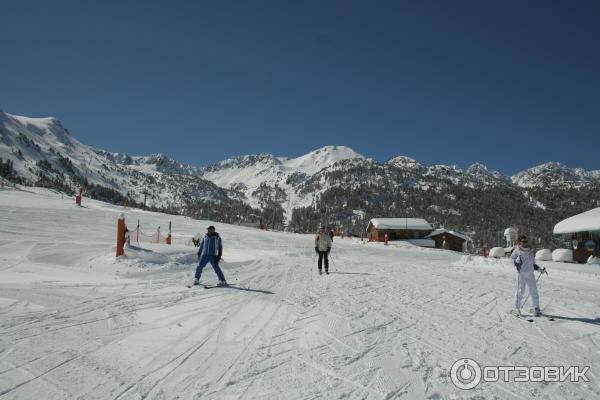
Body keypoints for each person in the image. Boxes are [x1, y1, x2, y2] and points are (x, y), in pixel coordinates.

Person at [511, 235, 545, 317]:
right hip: (521, 274)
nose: (525, 243)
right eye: (523, 241)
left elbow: (532, 264)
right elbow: (512, 262)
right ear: (520, 242)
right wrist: (516, 261)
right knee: (520, 291)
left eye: (526, 241)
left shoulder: (530, 251)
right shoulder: (516, 251)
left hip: (530, 273)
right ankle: (516, 308)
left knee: (534, 291)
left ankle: (536, 308)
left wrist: (539, 269)